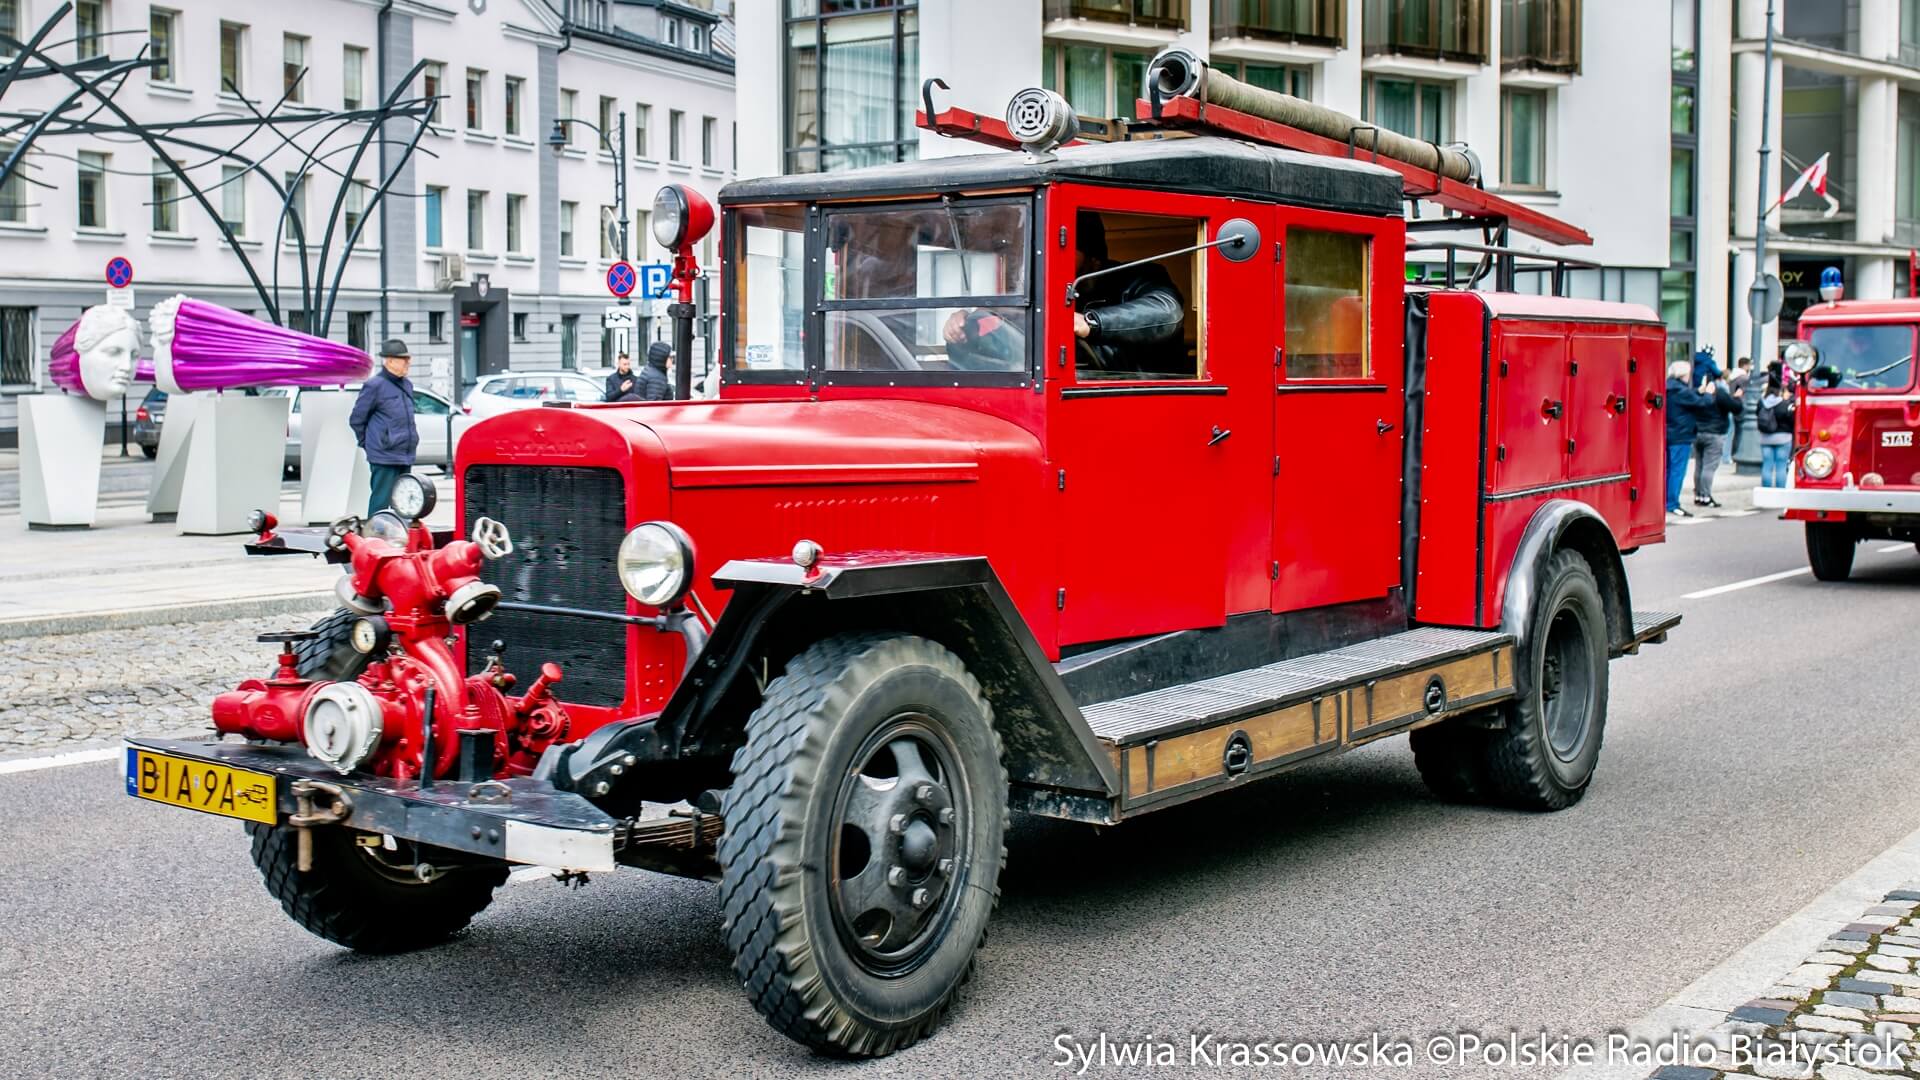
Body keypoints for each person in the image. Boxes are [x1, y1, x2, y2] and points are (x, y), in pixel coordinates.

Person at [942, 211, 1186, 374]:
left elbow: (1168, 312)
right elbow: (1009, 326)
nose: (1050, 259)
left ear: (1092, 256)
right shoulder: (1047, 288)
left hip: (1138, 394)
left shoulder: (1137, 276)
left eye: (1064, 249)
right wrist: (965, 324)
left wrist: (1090, 323)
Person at [349, 339, 418, 517]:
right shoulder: (375, 385)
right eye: (403, 359)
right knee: (381, 502)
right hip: (384, 456)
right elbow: (357, 419)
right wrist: (371, 445)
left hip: (404, 454)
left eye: (408, 359)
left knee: (404, 504)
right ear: (389, 361)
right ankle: (375, 533)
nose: (408, 363)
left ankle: (399, 534)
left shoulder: (407, 385)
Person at [1664, 358, 1710, 520]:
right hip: (1681, 435)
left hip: (1667, 433)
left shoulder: (1667, 387)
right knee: (1677, 471)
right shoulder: (1681, 391)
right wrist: (1708, 393)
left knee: (1667, 470)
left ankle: (1664, 500)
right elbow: (1702, 404)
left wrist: (1697, 391)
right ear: (1684, 374)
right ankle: (1672, 503)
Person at [1692, 362, 1741, 509]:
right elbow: (1736, 408)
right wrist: (1737, 398)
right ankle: (1706, 496)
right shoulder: (1719, 394)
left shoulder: (1698, 392)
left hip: (1698, 432)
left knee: (1699, 466)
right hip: (1715, 433)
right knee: (1709, 467)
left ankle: (1699, 495)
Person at [1757, 375, 1795, 488]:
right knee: (1781, 467)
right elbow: (1791, 420)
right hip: (1783, 438)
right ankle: (1780, 491)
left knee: (1767, 466)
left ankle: (1766, 491)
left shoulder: (1761, 403)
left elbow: (1757, 415)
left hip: (1766, 438)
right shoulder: (1784, 404)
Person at [1727, 357, 1753, 457]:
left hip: (1732, 405)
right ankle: (1737, 452)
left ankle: (1731, 453)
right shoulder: (1744, 378)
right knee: (1740, 432)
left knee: (1732, 432)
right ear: (1745, 365)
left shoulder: (1732, 377)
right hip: (1741, 407)